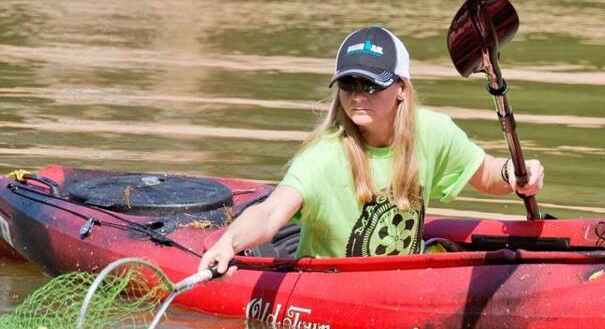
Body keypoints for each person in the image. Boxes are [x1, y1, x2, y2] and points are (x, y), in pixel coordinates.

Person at [199, 25, 544, 273]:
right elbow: (271, 213)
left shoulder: (432, 131)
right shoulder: (323, 157)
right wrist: (228, 243)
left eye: (371, 84)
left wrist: (514, 174)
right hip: (326, 289)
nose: (358, 94)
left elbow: (486, 174)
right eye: (349, 83)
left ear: (401, 89)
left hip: (401, 282)